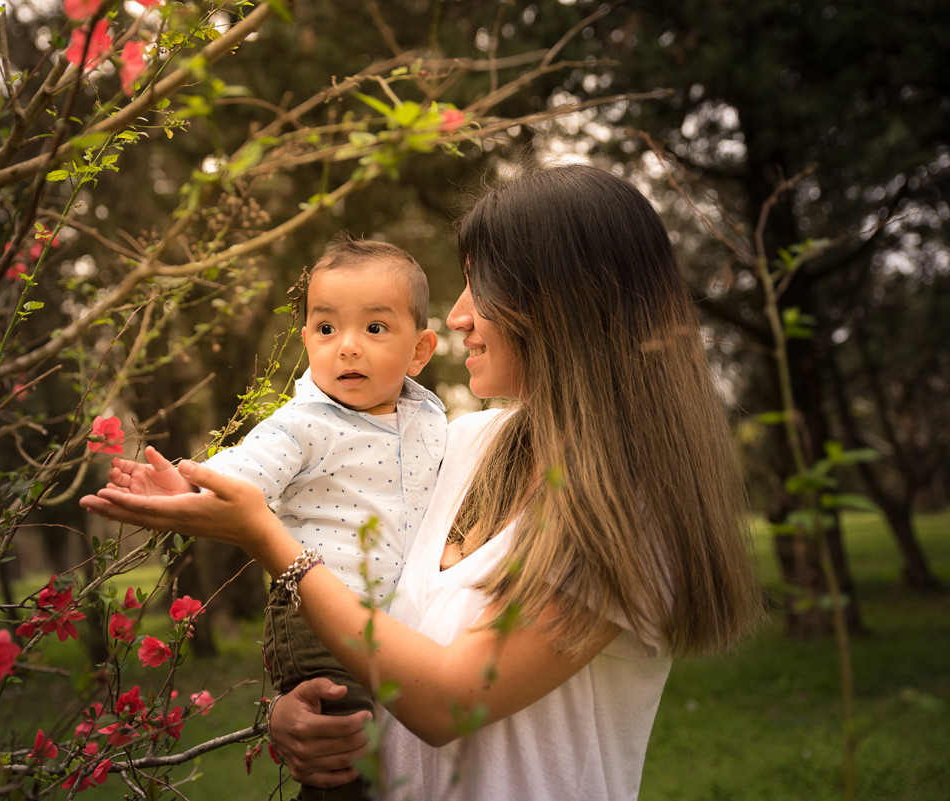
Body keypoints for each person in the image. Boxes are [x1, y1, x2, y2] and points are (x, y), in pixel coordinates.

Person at [81, 164, 763, 801]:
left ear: (562, 302)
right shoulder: (456, 447)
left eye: (480, 288)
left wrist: (269, 540)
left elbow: (447, 703)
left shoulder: (627, 512)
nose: (458, 315)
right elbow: (380, 628)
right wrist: (300, 712)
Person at [92, 237, 445, 801]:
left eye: (375, 328)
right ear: (306, 340)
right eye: (326, 328)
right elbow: (248, 469)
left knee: (395, 740)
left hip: (394, 623)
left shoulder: (430, 421)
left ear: (420, 351)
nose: (347, 347)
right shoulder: (303, 422)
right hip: (318, 615)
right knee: (345, 744)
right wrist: (187, 485)